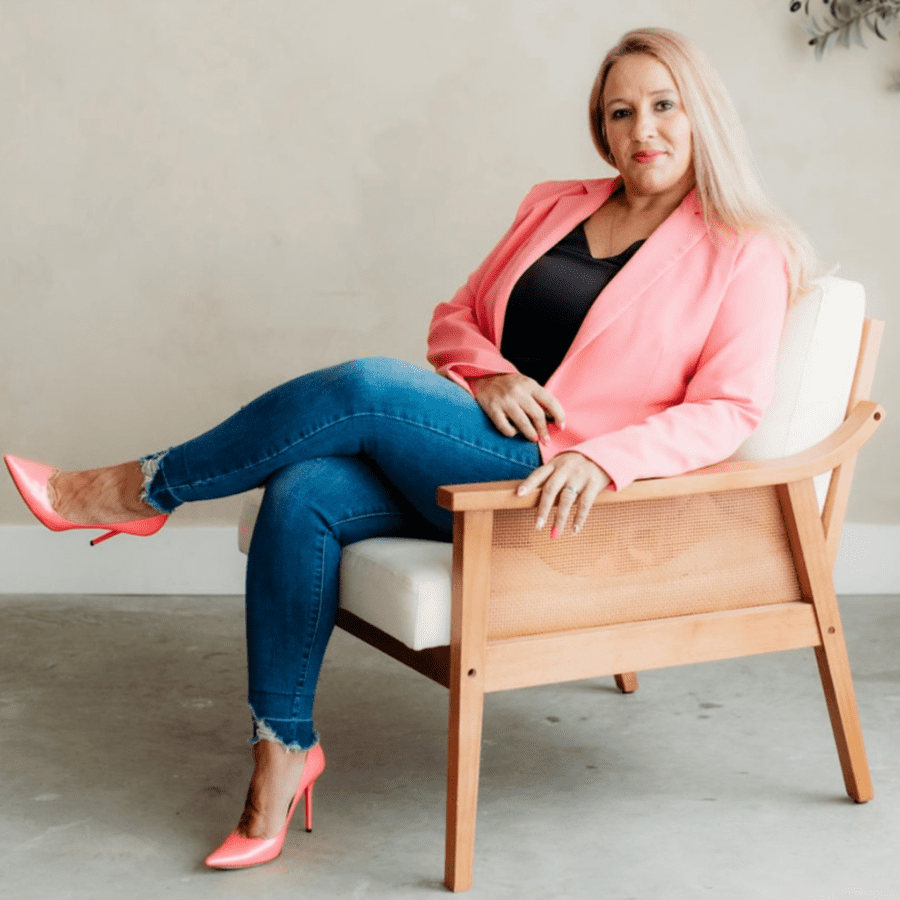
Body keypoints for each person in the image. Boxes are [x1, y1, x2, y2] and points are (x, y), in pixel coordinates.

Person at [4, 27, 816, 870]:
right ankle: (283, 753)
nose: (642, 128)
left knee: (364, 385)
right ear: (600, 127)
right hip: (473, 446)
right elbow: (456, 316)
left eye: (663, 105)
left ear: (701, 112)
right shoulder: (557, 205)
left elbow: (729, 407)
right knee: (303, 489)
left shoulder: (743, 249)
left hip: (552, 480)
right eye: (621, 111)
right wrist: (491, 375)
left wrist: (607, 459)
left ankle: (142, 490)